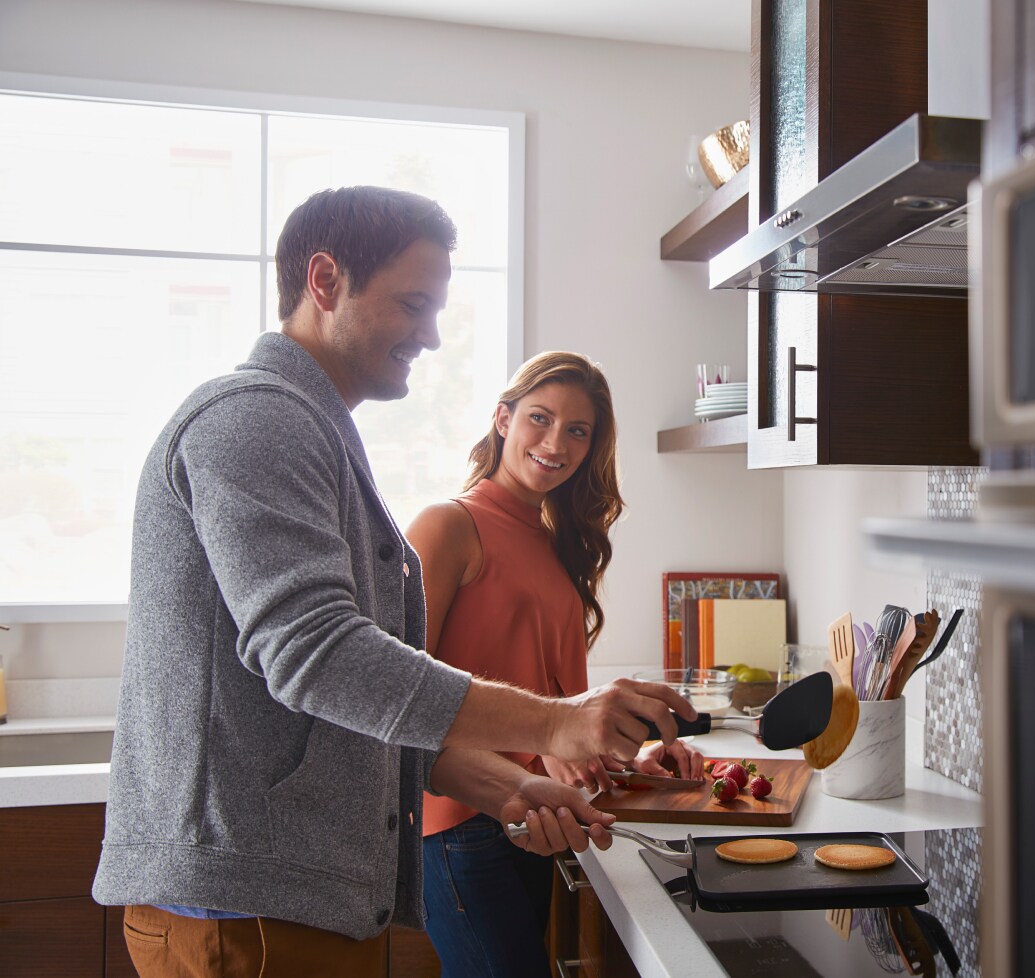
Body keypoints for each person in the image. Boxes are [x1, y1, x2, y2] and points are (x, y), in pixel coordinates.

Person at [91, 186, 695, 978]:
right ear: (325, 281)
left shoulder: (312, 432)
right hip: (247, 910)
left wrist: (503, 787)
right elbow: (318, 657)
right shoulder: (256, 419)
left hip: (290, 901)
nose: (432, 336)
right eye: (414, 304)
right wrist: (552, 727)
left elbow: (345, 714)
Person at [406, 352, 706, 975]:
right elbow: (401, 696)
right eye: (539, 419)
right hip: (461, 823)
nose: (554, 443)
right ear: (502, 420)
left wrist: (637, 759)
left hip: (540, 815)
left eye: (578, 431)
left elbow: (556, 709)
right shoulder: (447, 527)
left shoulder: (553, 542)